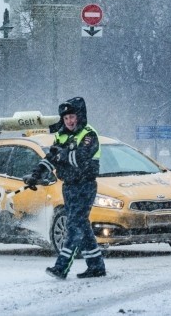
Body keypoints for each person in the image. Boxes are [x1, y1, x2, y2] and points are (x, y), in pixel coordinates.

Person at [24, 96, 106, 280]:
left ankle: (61, 267)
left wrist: (63, 155)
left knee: (74, 226)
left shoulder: (88, 134)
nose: (69, 121)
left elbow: (81, 158)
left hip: (85, 185)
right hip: (69, 186)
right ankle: (96, 266)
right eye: (66, 118)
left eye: (72, 117)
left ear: (80, 116)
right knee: (82, 225)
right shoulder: (61, 135)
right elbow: (51, 157)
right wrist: (36, 175)